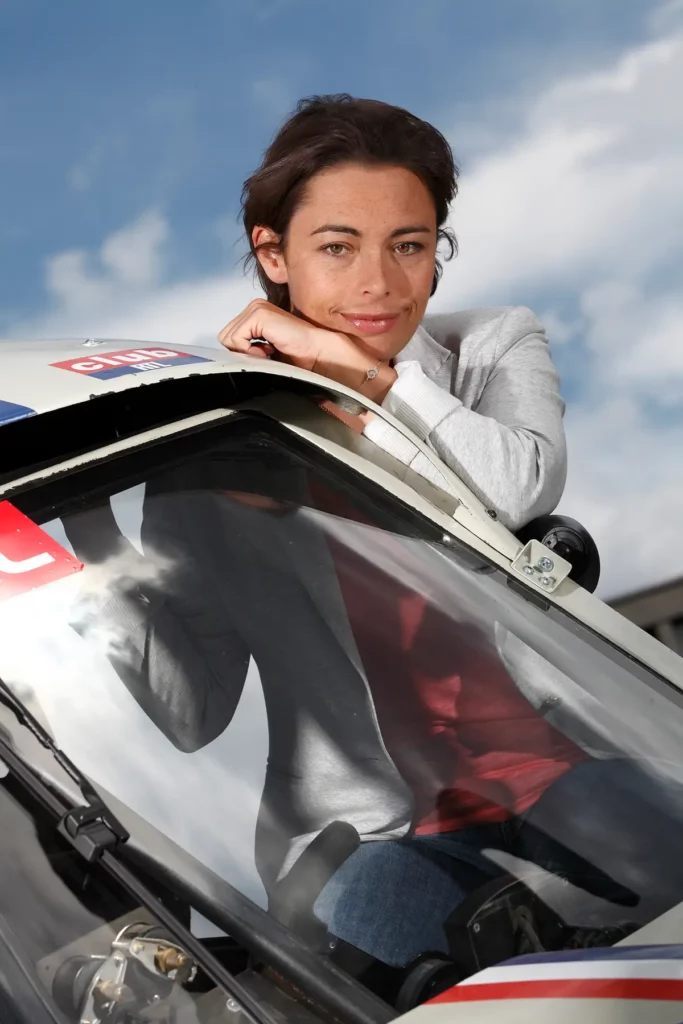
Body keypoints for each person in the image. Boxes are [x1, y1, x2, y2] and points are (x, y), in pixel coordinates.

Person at [218, 93, 566, 532]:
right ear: (273, 254)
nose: (379, 282)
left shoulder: (494, 342)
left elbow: (520, 496)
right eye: (337, 248)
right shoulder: (223, 401)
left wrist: (371, 380)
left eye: (406, 246)